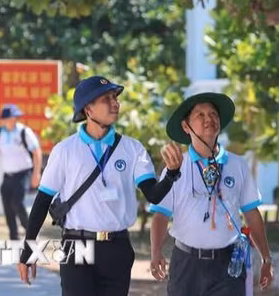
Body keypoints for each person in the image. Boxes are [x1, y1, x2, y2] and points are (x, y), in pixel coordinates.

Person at [16, 75, 184, 296]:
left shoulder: (132, 149)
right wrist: (28, 250)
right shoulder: (65, 150)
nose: (115, 103)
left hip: (117, 247)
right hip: (77, 247)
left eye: (115, 97)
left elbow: (153, 194)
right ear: (88, 109)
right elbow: (42, 201)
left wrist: (171, 174)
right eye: (107, 99)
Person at [149, 92, 274, 295]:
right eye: (200, 115)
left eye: (214, 114)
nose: (209, 119)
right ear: (186, 126)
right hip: (186, 264)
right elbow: (161, 215)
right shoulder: (175, 167)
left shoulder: (237, 165)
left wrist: (266, 258)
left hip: (229, 265)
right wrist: (155, 253)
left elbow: (252, 214)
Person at [0, 103, 42, 240]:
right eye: (9, 118)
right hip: (7, 175)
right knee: (7, 206)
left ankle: (30, 232)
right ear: (3, 119)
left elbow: (36, 152)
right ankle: (13, 236)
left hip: (22, 173)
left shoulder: (24, 132)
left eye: (14, 117)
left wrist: (36, 173)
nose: (12, 120)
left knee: (17, 202)